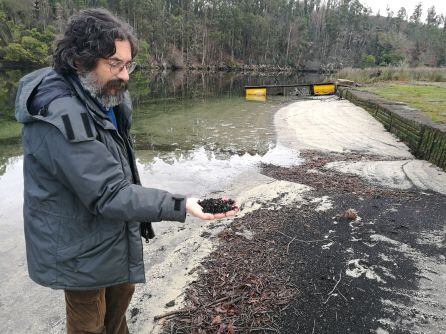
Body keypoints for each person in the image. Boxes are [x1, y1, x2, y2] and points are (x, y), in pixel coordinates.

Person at [15, 8, 236, 334]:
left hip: (110, 230)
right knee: (89, 324)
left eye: (128, 64)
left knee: (118, 311)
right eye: (114, 64)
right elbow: (108, 192)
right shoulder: (60, 116)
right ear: (80, 61)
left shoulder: (104, 97)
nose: (125, 75)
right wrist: (182, 204)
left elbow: (119, 171)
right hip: (78, 247)